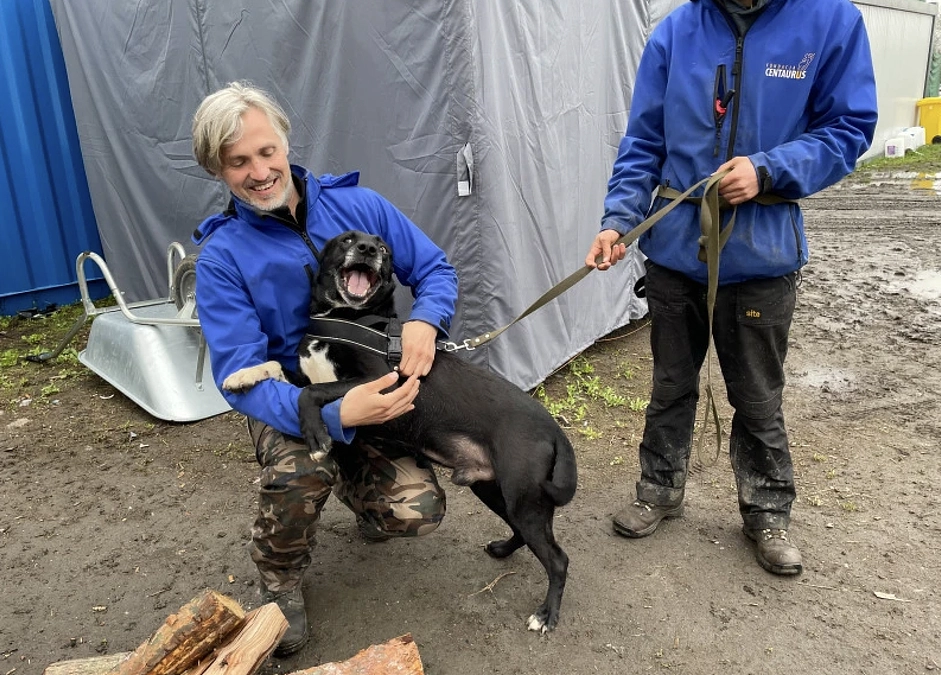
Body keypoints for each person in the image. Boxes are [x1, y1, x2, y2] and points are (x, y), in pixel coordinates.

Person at [585, 0, 877, 576]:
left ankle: (767, 509)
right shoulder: (675, 30)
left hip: (761, 254)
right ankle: (659, 486)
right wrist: (618, 219)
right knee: (671, 381)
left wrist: (769, 169)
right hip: (674, 250)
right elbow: (644, 140)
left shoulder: (831, 21)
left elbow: (848, 128)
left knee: (758, 394)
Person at [190, 81, 458, 655]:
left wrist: (426, 321)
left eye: (266, 152)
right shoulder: (223, 257)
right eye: (238, 162)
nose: (259, 172)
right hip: (288, 395)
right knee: (301, 473)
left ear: (284, 141)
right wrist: (334, 414)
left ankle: (366, 501)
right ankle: (279, 580)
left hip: (368, 377)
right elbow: (239, 376)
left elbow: (435, 269)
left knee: (418, 510)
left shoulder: (358, 207)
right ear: (218, 169)